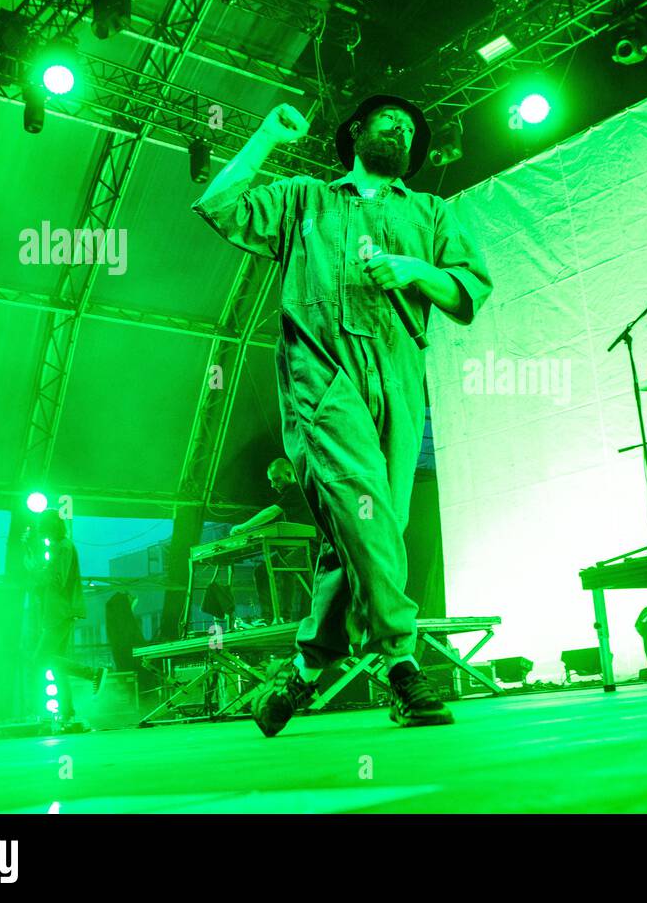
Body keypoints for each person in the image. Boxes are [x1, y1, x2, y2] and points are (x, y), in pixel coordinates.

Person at [192, 93, 491, 733]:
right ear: (356, 132)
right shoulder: (305, 199)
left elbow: (467, 292)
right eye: (388, 120)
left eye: (411, 128)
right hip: (324, 380)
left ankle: (303, 673)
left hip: (401, 382)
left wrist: (415, 270)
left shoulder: (434, 213)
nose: (401, 130)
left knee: (363, 531)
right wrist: (265, 137)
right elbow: (219, 205)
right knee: (369, 515)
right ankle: (401, 665)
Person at [23, 509, 107, 725]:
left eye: (44, 528)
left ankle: (93, 673)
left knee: (40, 659)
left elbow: (57, 580)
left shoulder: (64, 548)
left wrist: (33, 567)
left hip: (59, 613)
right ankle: (68, 711)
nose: (43, 533)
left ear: (52, 527)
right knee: (57, 664)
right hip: (57, 612)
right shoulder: (60, 547)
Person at [228, 457, 312, 626]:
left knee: (286, 567)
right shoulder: (290, 495)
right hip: (295, 547)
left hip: (311, 547)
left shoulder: (297, 490)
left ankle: (285, 617)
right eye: (271, 481)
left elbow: (271, 512)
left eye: (277, 479)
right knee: (261, 571)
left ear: (289, 474)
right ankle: (267, 617)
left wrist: (244, 527)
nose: (273, 485)